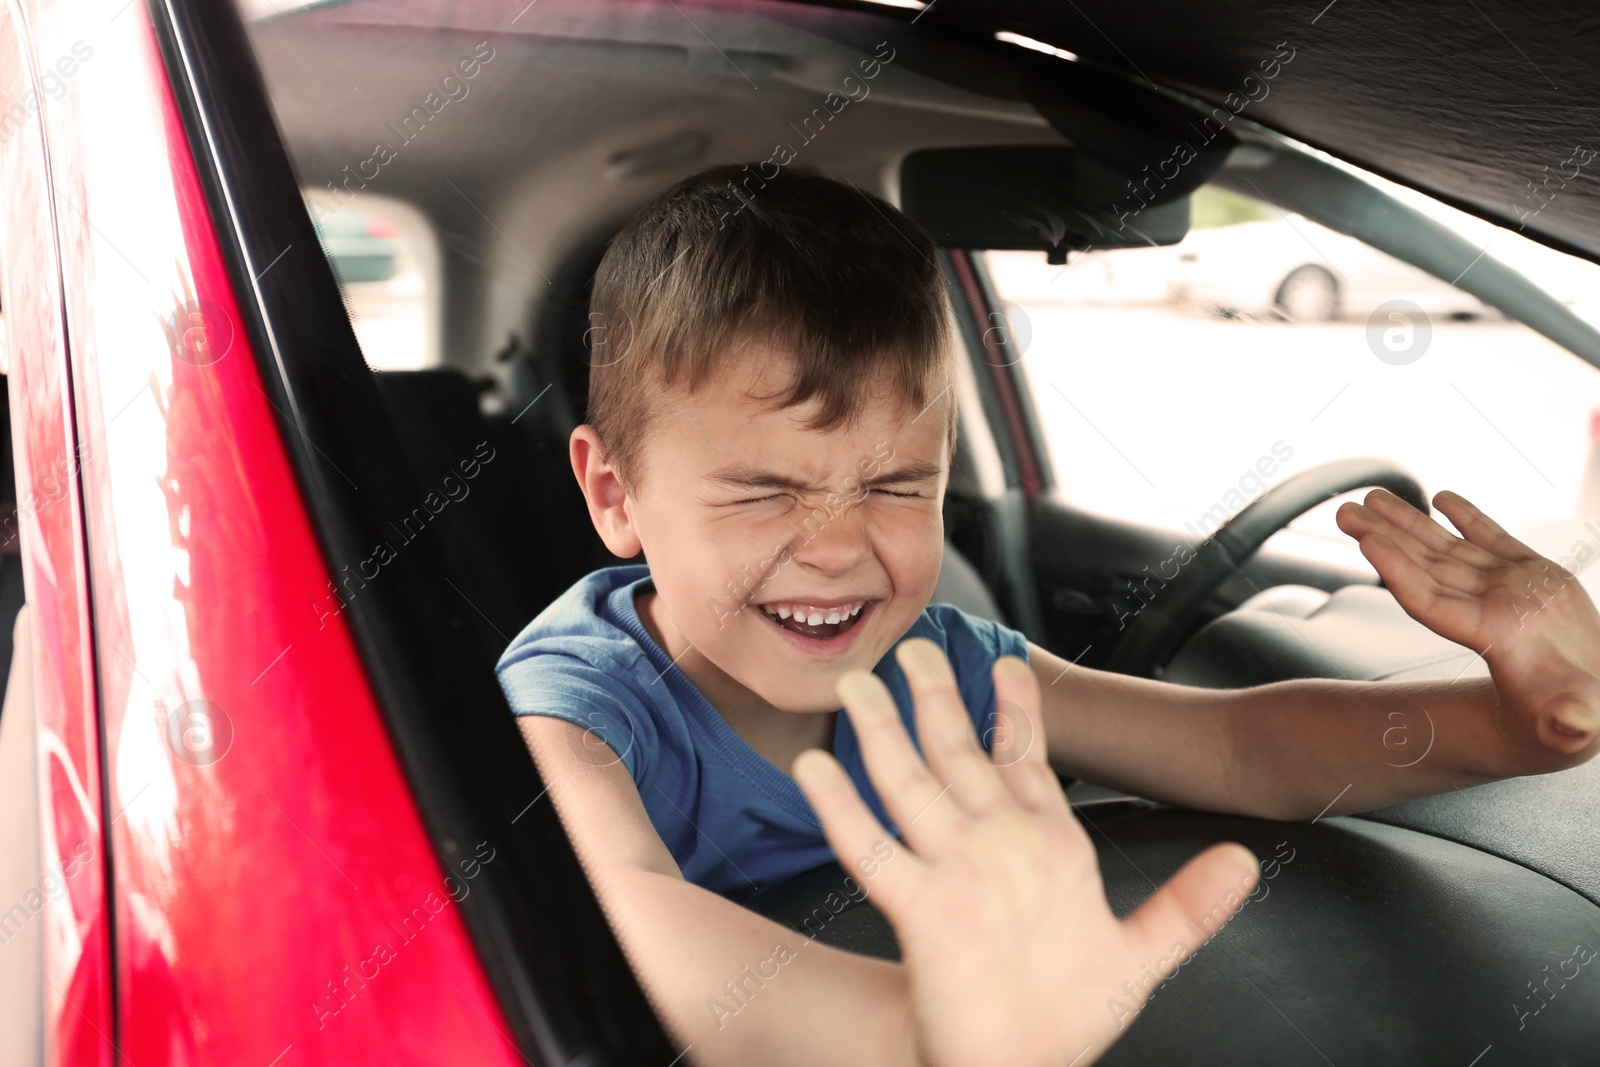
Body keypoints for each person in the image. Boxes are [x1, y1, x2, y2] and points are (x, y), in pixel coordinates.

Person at [496, 163, 1600, 1066]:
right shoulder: (582, 699)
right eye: (763, 491)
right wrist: (921, 1032)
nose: (836, 547)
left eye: (894, 488)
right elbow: (626, 910)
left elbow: (1229, 740)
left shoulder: (937, 662)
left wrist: (1516, 726)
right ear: (613, 494)